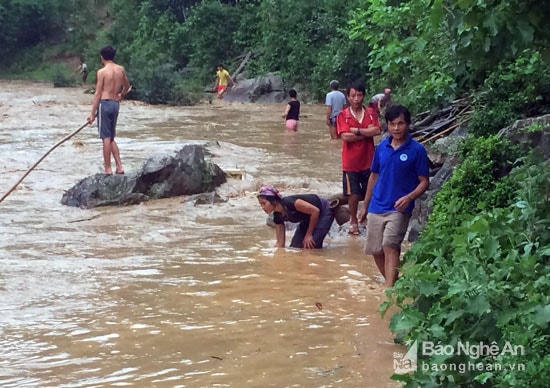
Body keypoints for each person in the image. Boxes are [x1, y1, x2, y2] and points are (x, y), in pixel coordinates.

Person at [358, 105, 429, 287]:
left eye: (401, 124)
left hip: (399, 207)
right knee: (375, 249)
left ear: (408, 124)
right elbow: (374, 176)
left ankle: (389, 291)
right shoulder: (381, 147)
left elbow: (424, 181)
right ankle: (393, 284)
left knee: (389, 245)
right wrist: (365, 205)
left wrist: (409, 197)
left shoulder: (417, 150)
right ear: (387, 126)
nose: (396, 128)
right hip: (377, 204)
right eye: (392, 124)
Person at [336, 81, 381, 235]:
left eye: (359, 95)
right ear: (348, 97)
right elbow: (345, 137)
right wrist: (365, 132)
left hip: (369, 159)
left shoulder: (370, 112)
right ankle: (353, 220)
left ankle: (367, 215)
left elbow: (376, 130)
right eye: (353, 95)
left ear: (363, 95)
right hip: (350, 162)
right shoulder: (343, 115)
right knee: (353, 193)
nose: (356, 98)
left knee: (372, 190)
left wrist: (357, 131)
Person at [86, 45, 131, 175]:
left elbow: (98, 93)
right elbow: (127, 86)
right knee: (111, 137)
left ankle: (108, 168)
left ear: (102, 57)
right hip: (115, 104)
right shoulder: (120, 69)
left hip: (104, 104)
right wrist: (120, 95)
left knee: (105, 137)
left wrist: (92, 113)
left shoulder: (102, 72)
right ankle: (119, 166)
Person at [257, 186, 334, 249]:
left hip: (322, 210)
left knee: (311, 245)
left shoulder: (290, 203)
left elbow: (315, 211)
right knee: (295, 246)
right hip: (307, 218)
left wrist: (309, 234)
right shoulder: (277, 217)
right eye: (261, 204)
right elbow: (280, 243)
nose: (263, 207)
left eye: (264, 203)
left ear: (274, 201)